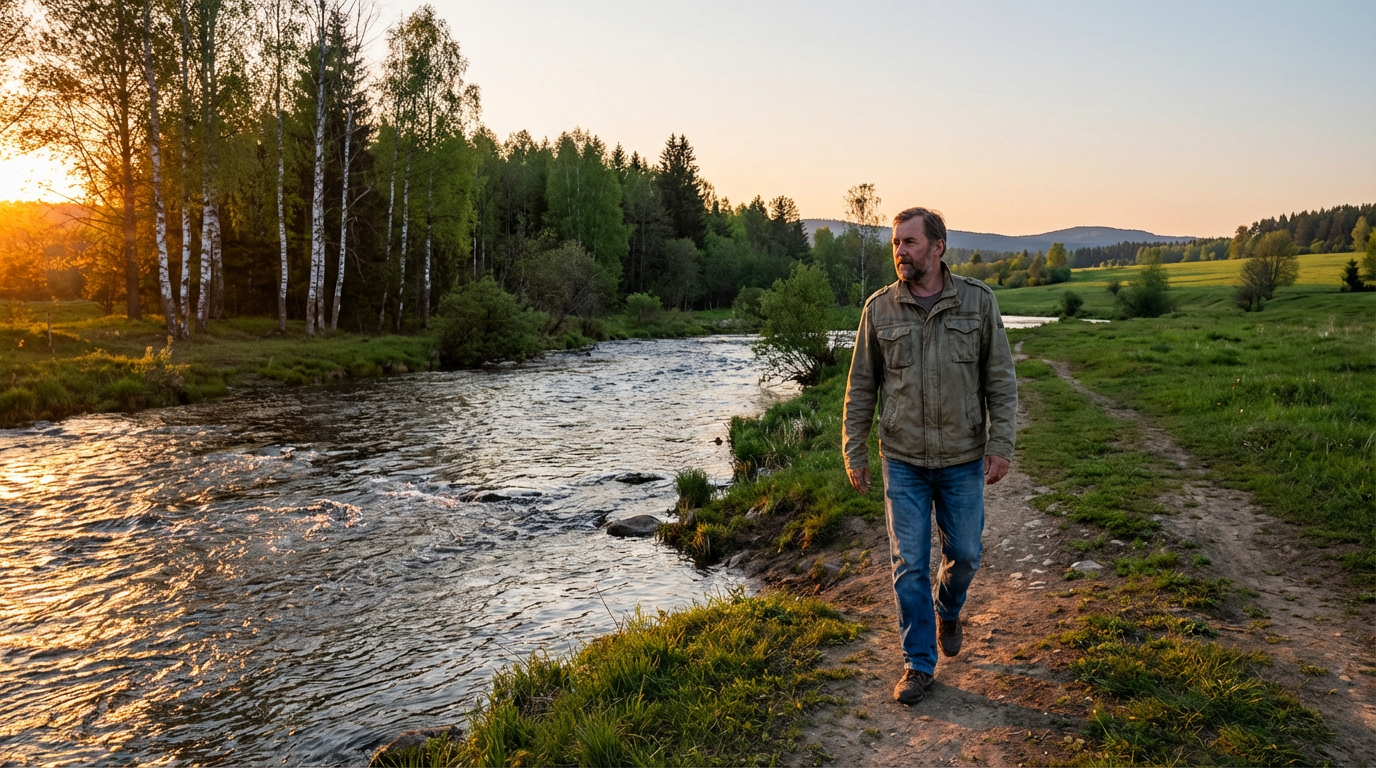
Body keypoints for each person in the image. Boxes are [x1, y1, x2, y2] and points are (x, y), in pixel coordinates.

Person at [842, 206, 1017, 706]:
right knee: (909, 565)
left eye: (910, 243)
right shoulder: (878, 310)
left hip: (963, 457)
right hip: (903, 460)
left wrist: (1000, 445)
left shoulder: (978, 304)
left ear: (938, 247)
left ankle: (949, 608)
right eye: (896, 243)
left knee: (966, 553)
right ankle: (918, 664)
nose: (900, 251)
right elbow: (860, 389)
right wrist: (854, 452)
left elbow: (1000, 382)